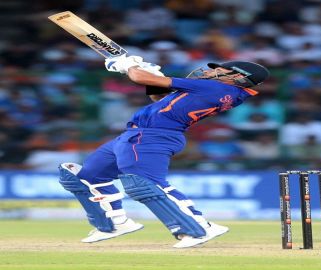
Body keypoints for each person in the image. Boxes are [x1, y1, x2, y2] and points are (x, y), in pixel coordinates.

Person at [58, 54, 269, 248]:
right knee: (86, 177)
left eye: (219, 70)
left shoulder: (215, 88)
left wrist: (128, 65)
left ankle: (198, 227)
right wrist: (154, 78)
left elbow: (138, 77)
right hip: (138, 134)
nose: (208, 71)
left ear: (238, 77)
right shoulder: (221, 91)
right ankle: (113, 223)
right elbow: (159, 99)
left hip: (152, 136)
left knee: (144, 184)